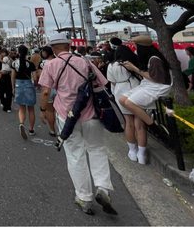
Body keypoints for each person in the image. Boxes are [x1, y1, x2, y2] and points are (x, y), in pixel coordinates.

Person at [39, 32, 116, 216]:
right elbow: (102, 83)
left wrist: (43, 110)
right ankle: (103, 188)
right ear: (69, 46)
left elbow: (45, 92)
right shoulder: (84, 61)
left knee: (75, 155)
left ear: (53, 49)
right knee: (97, 149)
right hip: (91, 114)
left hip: (67, 116)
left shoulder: (51, 65)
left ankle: (84, 197)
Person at [118, 36, 172, 165]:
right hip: (148, 84)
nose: (135, 49)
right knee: (122, 99)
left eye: (136, 46)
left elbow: (157, 79)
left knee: (129, 103)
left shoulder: (154, 59)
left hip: (157, 87)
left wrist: (134, 68)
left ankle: (152, 125)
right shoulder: (150, 57)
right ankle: (145, 117)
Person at [106, 45, 142, 162]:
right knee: (139, 122)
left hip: (120, 91)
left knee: (128, 122)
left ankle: (132, 150)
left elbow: (112, 82)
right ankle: (142, 152)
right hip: (136, 89)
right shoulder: (134, 61)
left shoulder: (112, 65)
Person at [11, 45, 37, 139]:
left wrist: (13, 87)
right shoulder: (30, 64)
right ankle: (31, 129)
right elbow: (35, 78)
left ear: (18, 52)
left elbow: (12, 77)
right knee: (31, 109)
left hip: (18, 85)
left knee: (21, 108)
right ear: (27, 53)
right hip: (28, 85)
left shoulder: (14, 63)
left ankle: (21, 123)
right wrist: (35, 85)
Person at [38, 46, 56, 136]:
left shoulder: (42, 63)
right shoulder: (58, 61)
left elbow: (40, 76)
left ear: (45, 52)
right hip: (59, 88)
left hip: (48, 88)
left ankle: (52, 130)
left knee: (50, 111)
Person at [0, 48, 13, 113]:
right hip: (7, 75)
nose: (1, 54)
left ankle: (6, 106)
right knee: (8, 92)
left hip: (5, 75)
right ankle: (7, 106)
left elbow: (3, 62)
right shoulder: (9, 58)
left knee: (4, 92)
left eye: (2, 53)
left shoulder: (5, 58)